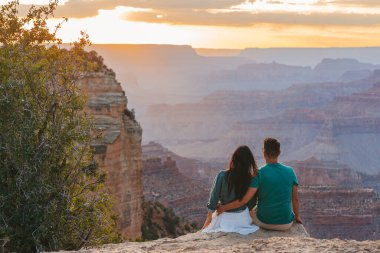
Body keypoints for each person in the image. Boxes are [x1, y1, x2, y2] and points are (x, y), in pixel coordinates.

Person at [217, 138, 302, 231]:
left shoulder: (259, 173)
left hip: (264, 222)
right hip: (286, 223)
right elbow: (295, 199)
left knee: (251, 213)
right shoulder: (290, 171)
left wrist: (223, 208)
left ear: (264, 153)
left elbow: (244, 201)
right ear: (279, 152)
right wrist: (297, 217)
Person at [201, 145, 259, 235]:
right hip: (243, 219)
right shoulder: (252, 178)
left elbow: (214, 198)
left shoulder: (222, 175)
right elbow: (252, 201)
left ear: (234, 159)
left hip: (224, 218)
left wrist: (208, 219)